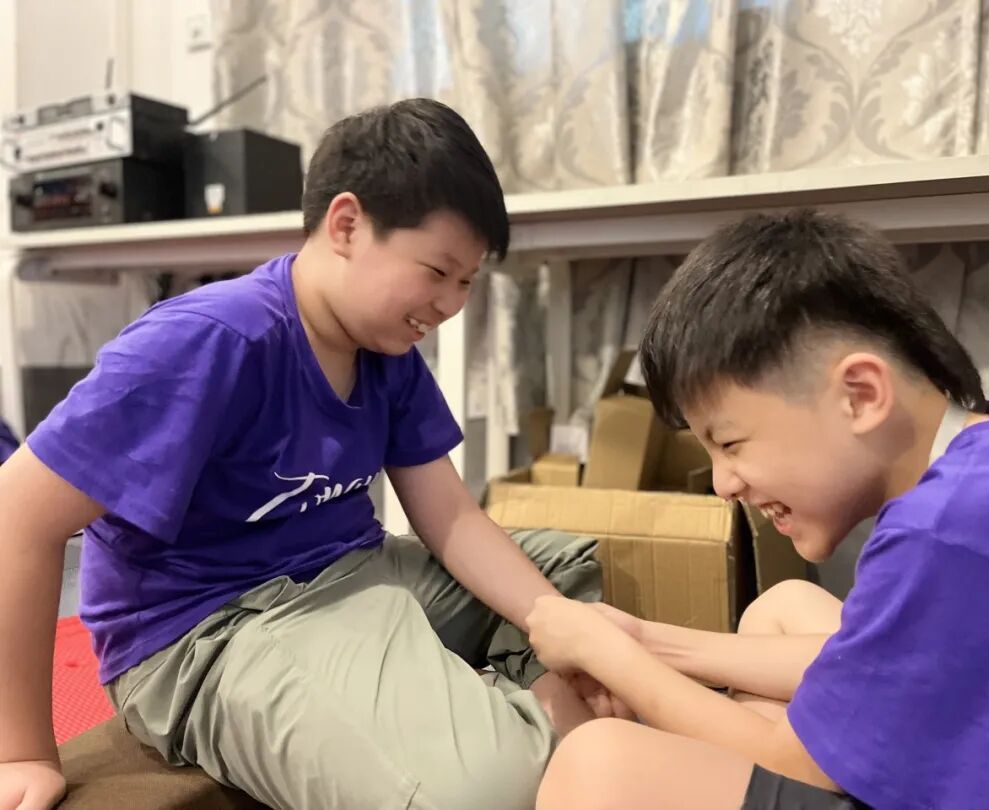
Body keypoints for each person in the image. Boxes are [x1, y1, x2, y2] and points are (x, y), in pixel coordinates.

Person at [0, 98, 622, 810]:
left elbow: (451, 517)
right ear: (347, 224)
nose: (451, 303)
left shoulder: (385, 349)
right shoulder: (208, 342)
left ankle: (514, 712)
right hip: (217, 625)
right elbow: (16, 514)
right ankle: (515, 729)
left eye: (467, 281)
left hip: (356, 573)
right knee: (481, 792)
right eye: (437, 270)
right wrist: (20, 751)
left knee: (564, 570)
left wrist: (562, 630)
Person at [525, 210, 989, 809]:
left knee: (599, 760)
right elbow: (891, 657)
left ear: (860, 395)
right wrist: (642, 638)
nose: (723, 484)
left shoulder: (944, 532)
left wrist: (608, 654)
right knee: (783, 606)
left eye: (731, 443)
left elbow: (791, 764)